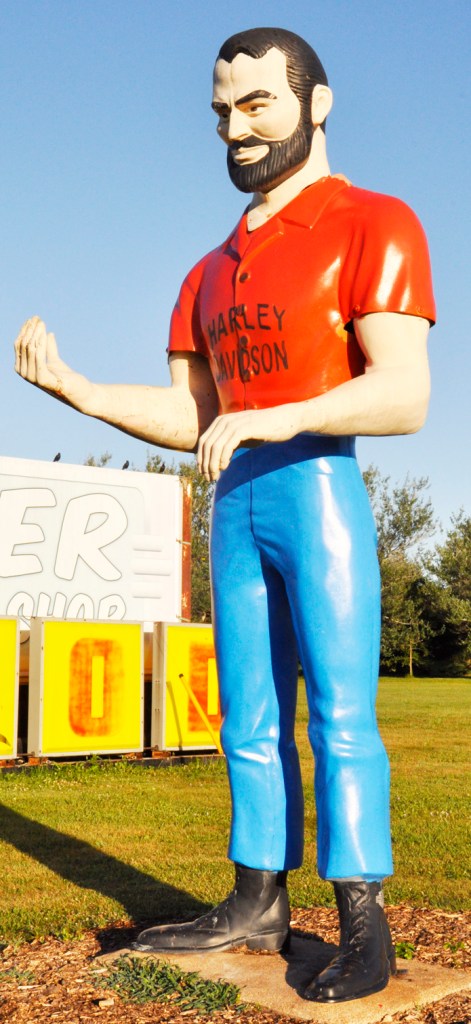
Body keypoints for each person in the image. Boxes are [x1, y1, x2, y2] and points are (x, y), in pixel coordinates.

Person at [14, 27, 435, 1004]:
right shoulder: (208, 271)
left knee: (337, 709)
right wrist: (80, 390)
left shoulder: (373, 222)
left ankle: (361, 917)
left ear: (316, 104)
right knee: (246, 710)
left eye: (256, 104)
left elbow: (404, 392)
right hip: (234, 500)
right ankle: (256, 900)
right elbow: (194, 415)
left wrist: (274, 416)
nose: (234, 127)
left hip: (315, 489)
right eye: (221, 111)